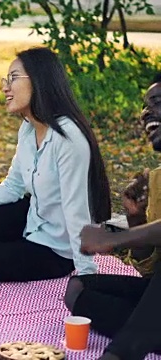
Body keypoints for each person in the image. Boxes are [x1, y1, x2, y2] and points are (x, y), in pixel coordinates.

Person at [0, 47, 112, 282]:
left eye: (14, 78)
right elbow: (12, 187)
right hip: (30, 218)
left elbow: (76, 209)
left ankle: (5, 248)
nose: (5, 87)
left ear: (40, 80)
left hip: (55, 249)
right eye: (6, 79)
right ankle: (3, 243)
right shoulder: (28, 129)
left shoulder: (69, 138)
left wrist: (87, 273)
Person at [65, 74, 161, 360]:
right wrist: (135, 216)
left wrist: (114, 237)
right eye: (144, 106)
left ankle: (121, 353)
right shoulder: (155, 180)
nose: (146, 112)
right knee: (79, 288)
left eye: (156, 102)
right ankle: (147, 332)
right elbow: (150, 269)